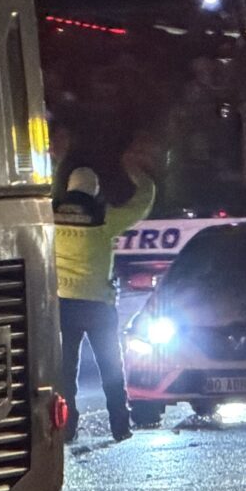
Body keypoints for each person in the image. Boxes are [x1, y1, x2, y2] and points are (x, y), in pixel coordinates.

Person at [53, 141, 158, 444]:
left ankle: (68, 428)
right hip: (99, 306)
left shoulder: (50, 217)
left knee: (66, 373)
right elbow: (141, 203)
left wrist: (56, 164)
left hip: (64, 304)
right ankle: (120, 426)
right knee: (112, 368)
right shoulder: (104, 218)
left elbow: (40, 192)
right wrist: (140, 175)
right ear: (94, 190)